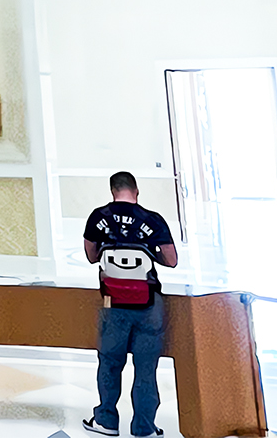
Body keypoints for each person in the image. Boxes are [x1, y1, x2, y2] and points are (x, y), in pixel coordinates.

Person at [81, 171, 178, 438]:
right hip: (148, 303)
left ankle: (106, 421)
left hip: (113, 303)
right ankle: (144, 427)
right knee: (146, 368)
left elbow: (91, 256)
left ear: (113, 191)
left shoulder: (97, 217)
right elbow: (171, 260)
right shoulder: (152, 220)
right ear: (136, 191)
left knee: (110, 363)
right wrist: (149, 253)